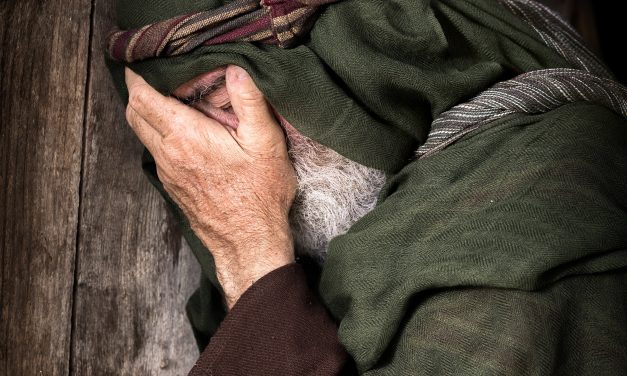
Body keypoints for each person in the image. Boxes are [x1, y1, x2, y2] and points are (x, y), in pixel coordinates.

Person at [108, 0, 627, 374]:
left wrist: (252, 261)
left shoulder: (533, 200)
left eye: (222, 105)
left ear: (349, 53)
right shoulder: (365, 226)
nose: (210, 163)